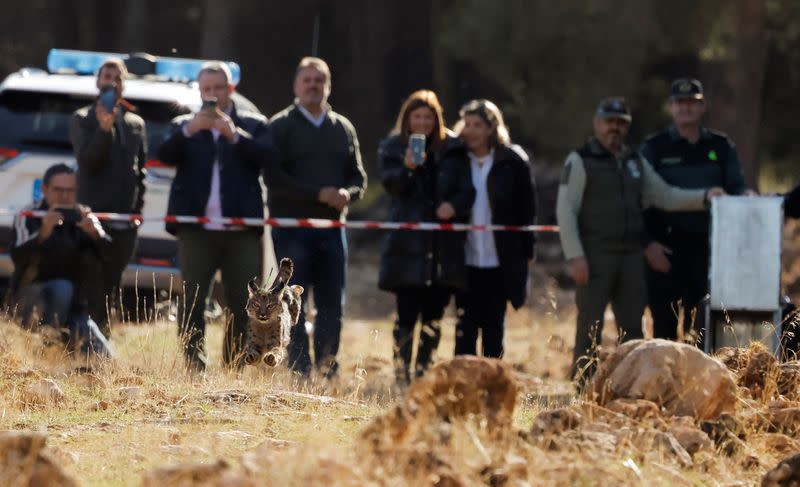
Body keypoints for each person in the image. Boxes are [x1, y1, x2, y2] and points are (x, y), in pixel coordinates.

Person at [556, 97, 724, 388]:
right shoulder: (581, 160)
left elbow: (665, 195)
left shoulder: (635, 162)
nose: (615, 128)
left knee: (633, 329)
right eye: (609, 122)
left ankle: (629, 389)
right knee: (589, 327)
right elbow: (565, 210)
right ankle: (582, 391)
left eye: (621, 123)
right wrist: (575, 255)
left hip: (632, 257)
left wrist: (703, 196)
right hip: (595, 256)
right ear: (597, 124)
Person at [157, 61, 272, 372]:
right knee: (193, 299)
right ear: (199, 91)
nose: (212, 95)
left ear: (230, 89)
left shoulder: (254, 123)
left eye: (218, 88)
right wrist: (190, 130)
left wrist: (235, 136)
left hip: (241, 230)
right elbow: (163, 154)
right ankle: (195, 366)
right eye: (206, 89)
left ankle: (233, 366)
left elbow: (267, 158)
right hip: (196, 229)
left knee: (243, 302)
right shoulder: (185, 125)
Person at [266, 57, 367, 378]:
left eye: (319, 80)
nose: (313, 85)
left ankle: (327, 367)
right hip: (292, 230)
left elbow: (359, 177)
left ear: (328, 85)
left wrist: (347, 194)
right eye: (307, 80)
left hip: (332, 231)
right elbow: (273, 178)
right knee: (293, 303)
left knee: (331, 305)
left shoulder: (343, 127)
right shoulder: (280, 126)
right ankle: (299, 369)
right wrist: (317, 194)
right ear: (296, 85)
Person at [640, 79, 752, 345]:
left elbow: (736, 190)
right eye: (680, 103)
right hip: (664, 250)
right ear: (671, 107)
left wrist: (747, 197)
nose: (685, 108)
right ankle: (666, 385)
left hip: (709, 251)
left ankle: (700, 384)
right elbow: (638, 201)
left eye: (692, 102)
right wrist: (648, 245)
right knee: (664, 332)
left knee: (705, 330)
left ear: (702, 107)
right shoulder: (654, 147)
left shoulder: (721, 146)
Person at [377, 90, 474, 387]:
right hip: (408, 246)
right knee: (406, 315)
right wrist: (407, 168)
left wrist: (453, 207)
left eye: (428, 117)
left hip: (443, 248)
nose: (422, 122)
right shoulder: (393, 147)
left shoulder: (454, 150)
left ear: (437, 119)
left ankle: (423, 371)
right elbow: (390, 186)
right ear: (407, 119)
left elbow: (467, 191)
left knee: (434, 315)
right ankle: (401, 372)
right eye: (416, 116)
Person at [451, 99, 536, 359]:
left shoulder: (512, 161)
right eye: (467, 124)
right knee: (465, 328)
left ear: (491, 128)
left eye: (478, 125)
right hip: (465, 258)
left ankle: (491, 390)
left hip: (499, 259)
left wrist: (527, 253)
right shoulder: (456, 159)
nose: (471, 130)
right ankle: (462, 391)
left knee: (493, 329)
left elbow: (527, 210)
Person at [69, 58, 147, 336]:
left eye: (118, 77)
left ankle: (103, 344)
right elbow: (88, 162)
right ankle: (84, 344)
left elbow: (140, 171)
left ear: (123, 85)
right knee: (91, 282)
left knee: (112, 284)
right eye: (107, 76)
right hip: (91, 217)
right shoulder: (83, 118)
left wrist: (138, 211)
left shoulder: (135, 122)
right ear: (97, 82)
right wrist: (104, 129)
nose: (112, 81)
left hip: (125, 220)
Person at [10, 163, 113, 357]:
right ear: (44, 189)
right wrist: (43, 233)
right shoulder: (29, 214)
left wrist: (95, 234)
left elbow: (112, 260)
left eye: (71, 190)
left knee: (106, 358)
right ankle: (46, 345)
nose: (65, 196)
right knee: (62, 288)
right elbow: (17, 257)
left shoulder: (82, 215)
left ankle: (64, 349)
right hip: (29, 301)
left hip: (73, 310)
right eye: (58, 190)